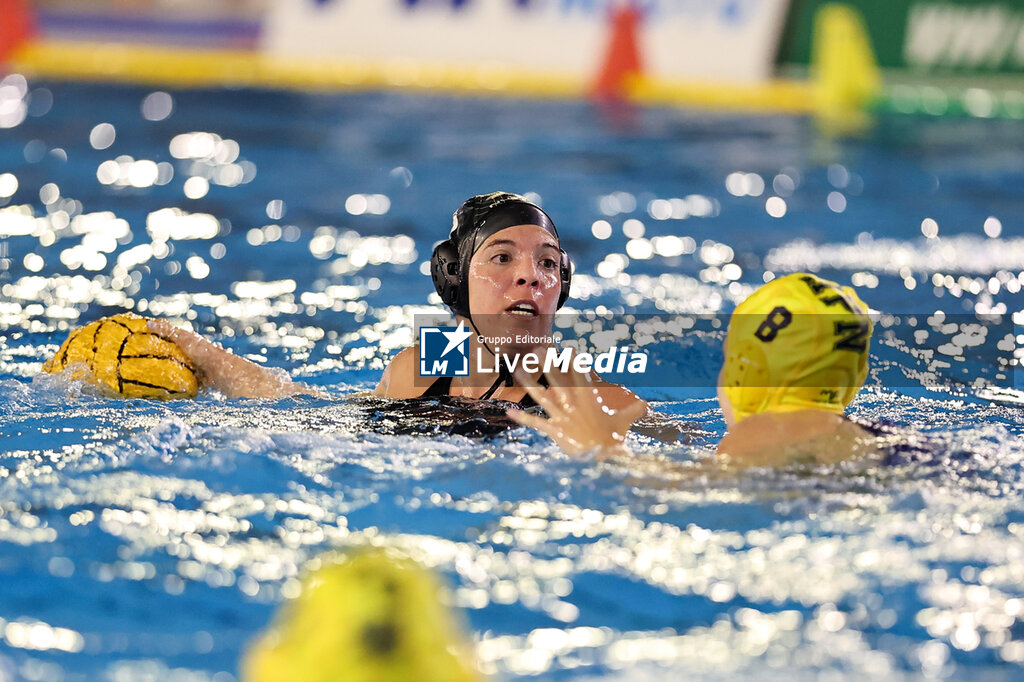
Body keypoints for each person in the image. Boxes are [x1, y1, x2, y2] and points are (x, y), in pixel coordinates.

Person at [148, 192, 647, 418]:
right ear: (454, 282)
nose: (531, 276)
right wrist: (204, 355)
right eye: (502, 257)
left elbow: (698, 464)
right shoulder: (417, 374)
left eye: (548, 264)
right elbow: (306, 412)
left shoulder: (592, 399)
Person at [509, 272, 882, 468]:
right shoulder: (860, 434)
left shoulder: (762, 433)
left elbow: (682, 495)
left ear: (746, 370)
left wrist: (603, 452)